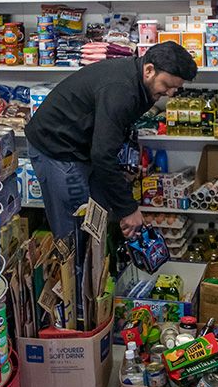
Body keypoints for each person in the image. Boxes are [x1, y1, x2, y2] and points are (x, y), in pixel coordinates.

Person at [25, 41, 198, 239]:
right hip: (56, 147)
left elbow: (113, 134)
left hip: (82, 146)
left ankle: (93, 257)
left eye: (176, 88)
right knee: (77, 226)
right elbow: (102, 155)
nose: (170, 93)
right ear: (149, 70)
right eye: (167, 85)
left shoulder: (140, 80)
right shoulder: (121, 90)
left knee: (97, 217)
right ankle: (75, 258)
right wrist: (128, 209)